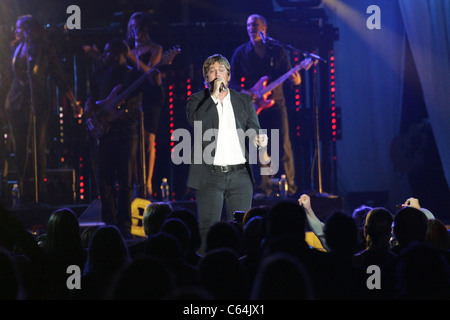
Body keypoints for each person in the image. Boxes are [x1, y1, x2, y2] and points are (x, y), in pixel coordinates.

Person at [186, 53, 268, 252]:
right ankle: (205, 272)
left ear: (229, 76)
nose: (217, 74)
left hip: (240, 175)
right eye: (212, 71)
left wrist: (259, 143)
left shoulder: (244, 100)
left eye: (221, 70)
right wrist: (213, 96)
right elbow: (196, 121)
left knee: (244, 228)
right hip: (209, 175)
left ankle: (243, 270)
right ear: (206, 78)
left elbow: (254, 129)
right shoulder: (197, 99)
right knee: (208, 227)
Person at [84, 39, 162, 238]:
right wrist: (100, 109)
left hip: (127, 130)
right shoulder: (98, 73)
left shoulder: (134, 75)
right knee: (105, 181)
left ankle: (125, 226)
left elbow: (156, 100)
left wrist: (157, 83)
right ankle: (109, 223)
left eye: (110, 51)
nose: (106, 55)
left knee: (125, 180)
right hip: (104, 131)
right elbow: (90, 101)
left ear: (120, 54)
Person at [4, 15, 82, 204]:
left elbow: (59, 76)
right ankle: (23, 191)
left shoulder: (44, 49)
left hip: (37, 102)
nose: (16, 31)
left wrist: (73, 102)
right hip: (15, 104)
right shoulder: (16, 48)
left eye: (19, 28)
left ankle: (39, 191)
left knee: (38, 146)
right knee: (20, 147)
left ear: (29, 29)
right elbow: (8, 76)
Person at [229, 14, 301, 197]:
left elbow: (290, 76)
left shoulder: (277, 51)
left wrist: (297, 80)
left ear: (264, 28)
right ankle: (263, 188)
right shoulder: (241, 52)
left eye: (254, 24)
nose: (250, 28)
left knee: (283, 144)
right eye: (248, 25)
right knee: (258, 147)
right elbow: (232, 83)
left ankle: (289, 188)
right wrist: (247, 93)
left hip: (277, 104)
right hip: (254, 106)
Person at [126, 12, 165, 198]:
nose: (135, 31)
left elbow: (150, 71)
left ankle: (148, 183)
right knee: (132, 140)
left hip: (150, 96)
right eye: (132, 27)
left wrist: (134, 59)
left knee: (149, 140)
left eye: (139, 28)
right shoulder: (127, 50)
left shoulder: (156, 48)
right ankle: (136, 183)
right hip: (132, 98)